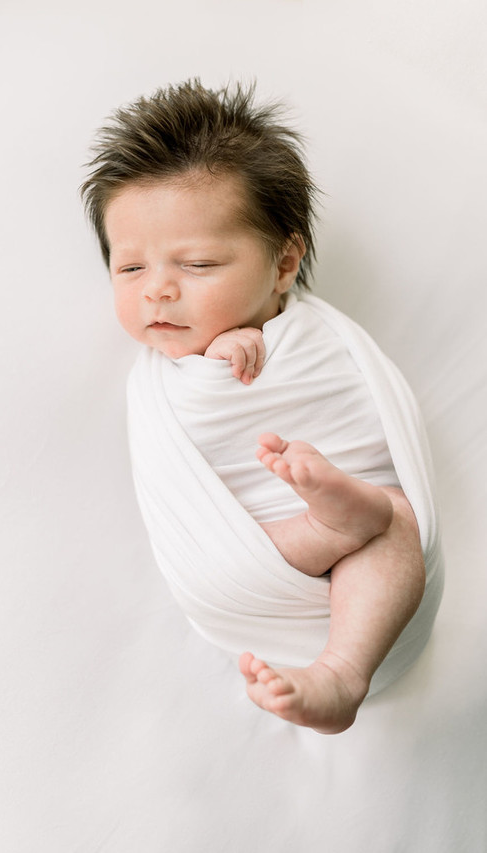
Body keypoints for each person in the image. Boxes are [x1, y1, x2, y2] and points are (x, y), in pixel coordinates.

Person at [80, 80, 441, 734]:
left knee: (395, 522)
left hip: (372, 550)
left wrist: (242, 342)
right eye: (130, 269)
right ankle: (329, 527)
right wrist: (215, 352)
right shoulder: (160, 377)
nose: (157, 290)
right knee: (372, 520)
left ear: (284, 265)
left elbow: (362, 409)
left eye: (195, 263)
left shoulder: (313, 340)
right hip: (253, 553)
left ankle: (340, 672)